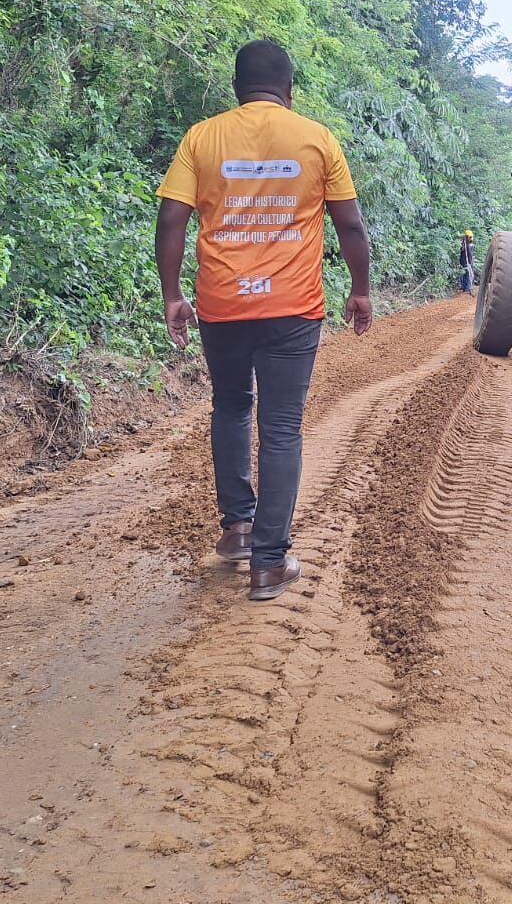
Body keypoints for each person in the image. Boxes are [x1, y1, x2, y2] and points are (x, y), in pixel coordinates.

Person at [154, 39, 372, 602]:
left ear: (236, 89)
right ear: (290, 90)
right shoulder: (317, 138)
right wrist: (362, 291)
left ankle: (237, 530)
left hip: (222, 304)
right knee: (281, 428)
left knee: (230, 404)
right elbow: (350, 226)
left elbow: (172, 218)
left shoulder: (203, 137)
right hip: (293, 309)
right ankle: (269, 565)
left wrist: (173, 294)